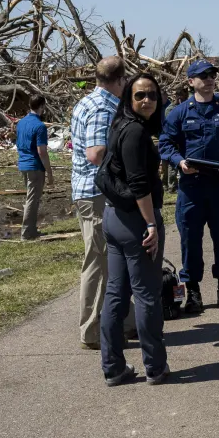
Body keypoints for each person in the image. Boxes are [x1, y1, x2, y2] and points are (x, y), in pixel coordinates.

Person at [96, 73, 170, 386]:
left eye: (152, 95)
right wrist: (150, 223)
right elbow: (140, 184)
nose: (147, 101)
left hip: (114, 218)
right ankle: (155, 366)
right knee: (146, 295)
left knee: (116, 293)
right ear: (129, 98)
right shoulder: (136, 132)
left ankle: (113, 367)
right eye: (139, 95)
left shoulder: (120, 125)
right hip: (135, 221)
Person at [160, 60, 219, 313]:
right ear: (190, 82)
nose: (209, 79)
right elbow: (165, 144)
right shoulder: (179, 112)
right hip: (192, 188)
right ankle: (193, 293)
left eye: (212, 75)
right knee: (190, 240)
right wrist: (180, 162)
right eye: (202, 76)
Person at [70, 56, 133, 349]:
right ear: (119, 80)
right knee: (100, 260)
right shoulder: (101, 108)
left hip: (92, 192)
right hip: (96, 193)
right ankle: (92, 330)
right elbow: (95, 154)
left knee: (112, 259)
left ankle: (125, 321)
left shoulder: (87, 102)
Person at [15, 95, 54, 240]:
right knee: (33, 199)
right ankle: (27, 232)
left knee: (30, 197)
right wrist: (49, 172)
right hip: (35, 165)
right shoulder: (40, 126)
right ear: (42, 106)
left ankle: (31, 228)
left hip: (23, 163)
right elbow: (42, 151)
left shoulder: (21, 123)